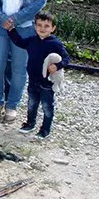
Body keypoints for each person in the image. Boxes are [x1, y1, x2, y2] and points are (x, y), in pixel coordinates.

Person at [7, 11, 70, 139]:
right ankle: (30, 123)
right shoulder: (32, 40)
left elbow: (66, 58)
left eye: (46, 26)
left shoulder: (54, 43)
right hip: (33, 80)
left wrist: (57, 66)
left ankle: (45, 130)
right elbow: (19, 42)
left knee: (47, 107)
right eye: (39, 25)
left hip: (47, 83)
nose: (42, 28)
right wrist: (11, 30)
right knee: (32, 104)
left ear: (53, 28)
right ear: (35, 26)